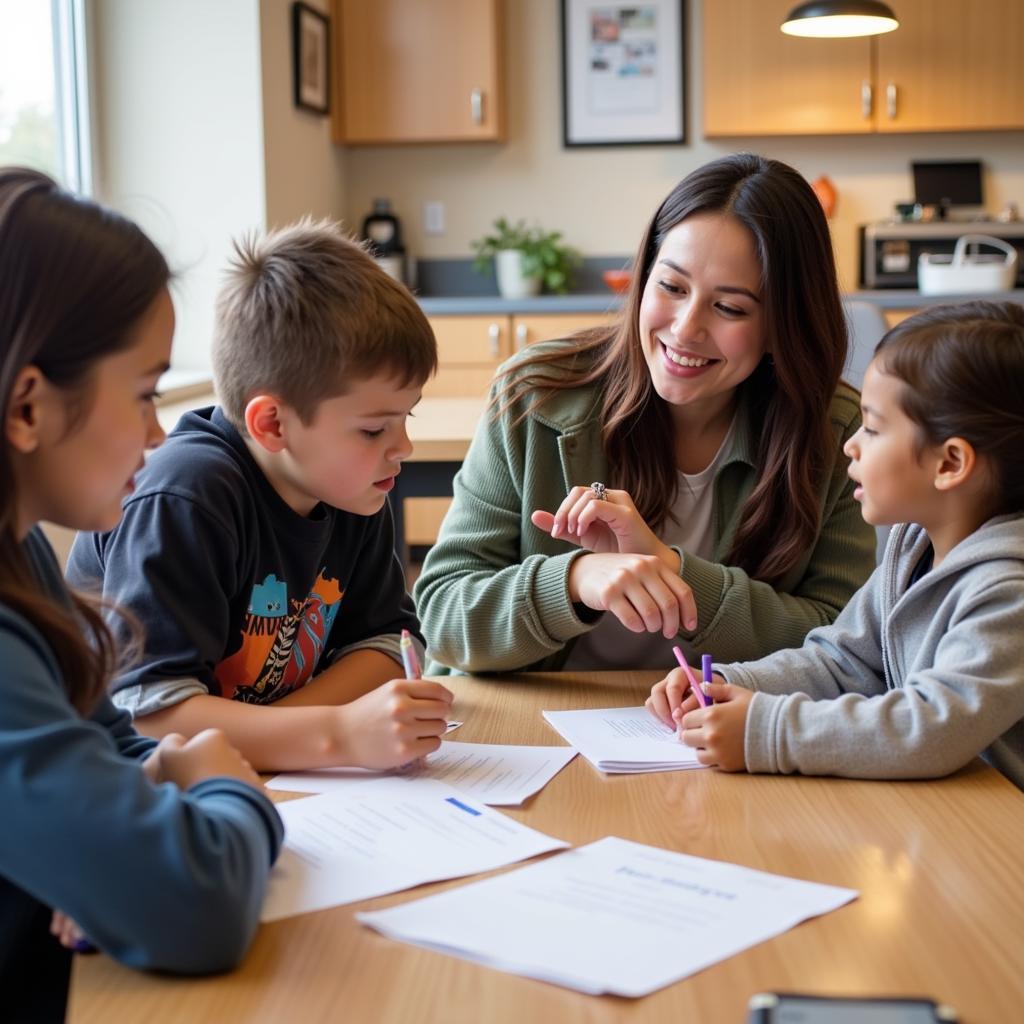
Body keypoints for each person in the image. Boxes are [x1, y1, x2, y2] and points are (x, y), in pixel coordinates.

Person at [0, 167, 283, 1021]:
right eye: (146, 392)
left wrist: (117, 839)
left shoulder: (20, 553)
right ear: (27, 406)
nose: (159, 433)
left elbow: (108, 746)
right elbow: (194, 905)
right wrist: (228, 787)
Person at [414, 154, 877, 674]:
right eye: (672, 287)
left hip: (716, 732)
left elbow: (842, 644)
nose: (685, 329)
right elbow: (442, 615)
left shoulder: (833, 432)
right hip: (527, 726)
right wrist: (575, 581)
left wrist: (672, 571)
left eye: (730, 308)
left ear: (782, 324)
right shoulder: (536, 396)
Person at [67, 220, 454, 771]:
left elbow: (388, 648)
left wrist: (294, 733)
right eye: (374, 429)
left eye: (404, 418)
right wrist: (335, 734)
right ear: (272, 423)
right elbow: (151, 717)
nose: (403, 447)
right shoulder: (187, 497)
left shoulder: (352, 486)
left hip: (252, 773)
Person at [647, 301, 1024, 789]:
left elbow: (930, 727)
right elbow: (842, 662)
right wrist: (730, 683)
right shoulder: (912, 548)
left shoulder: (1007, 591)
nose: (852, 444)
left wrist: (768, 730)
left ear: (949, 464)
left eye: (873, 426)